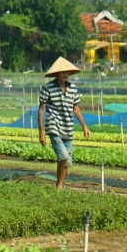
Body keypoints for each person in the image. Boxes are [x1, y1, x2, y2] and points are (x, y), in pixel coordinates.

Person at [36, 57, 90, 189]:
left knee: (67, 162)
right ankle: (59, 186)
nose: (65, 75)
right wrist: (41, 132)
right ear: (56, 74)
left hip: (68, 128)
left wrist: (84, 126)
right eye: (62, 72)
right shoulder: (48, 88)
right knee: (64, 156)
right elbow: (41, 109)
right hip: (54, 126)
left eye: (67, 72)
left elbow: (75, 108)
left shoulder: (72, 88)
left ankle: (59, 186)